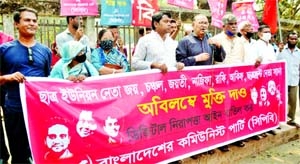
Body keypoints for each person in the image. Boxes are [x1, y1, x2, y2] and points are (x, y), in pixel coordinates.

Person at [0, 7, 52, 163]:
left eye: (34, 21)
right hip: (14, 108)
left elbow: (49, 79)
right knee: (19, 151)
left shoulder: (45, 51)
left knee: (40, 149)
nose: (32, 24)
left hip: (39, 109)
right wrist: (8, 77)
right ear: (16, 24)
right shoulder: (4, 50)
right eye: (27, 20)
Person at [210, 13, 246, 151]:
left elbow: (243, 60)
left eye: (236, 23)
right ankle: (221, 139)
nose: (234, 26)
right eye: (231, 24)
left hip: (237, 81)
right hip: (221, 81)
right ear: (224, 25)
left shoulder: (240, 41)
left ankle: (236, 136)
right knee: (222, 110)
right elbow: (213, 62)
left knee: (236, 108)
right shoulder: (215, 39)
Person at [277, 31, 300, 128]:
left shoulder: (299, 52)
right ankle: (276, 120)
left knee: (293, 101)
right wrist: (279, 50)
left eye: (295, 39)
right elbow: (274, 61)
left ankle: (291, 119)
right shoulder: (281, 50)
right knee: (279, 101)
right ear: (287, 39)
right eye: (291, 39)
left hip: (294, 80)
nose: (293, 40)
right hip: (282, 80)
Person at [0, 31, 13, 164]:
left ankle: (18, 153)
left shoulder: (7, 39)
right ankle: (2, 155)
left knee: (11, 120)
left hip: (6, 85)